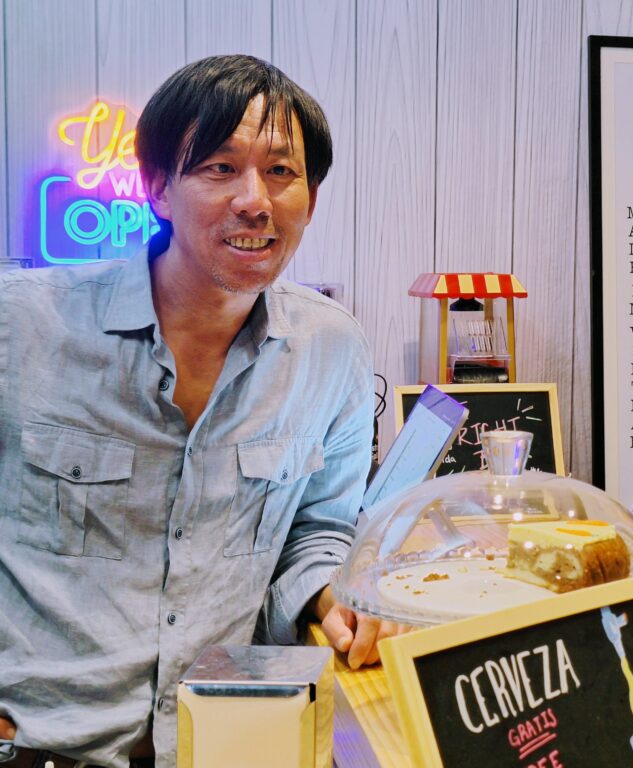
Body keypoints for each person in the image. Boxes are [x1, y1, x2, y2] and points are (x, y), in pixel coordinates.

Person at [0, 55, 397, 767]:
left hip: (230, 744)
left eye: (282, 172)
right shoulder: (22, 327)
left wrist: (329, 596)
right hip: (40, 745)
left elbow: (320, 525)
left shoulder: (332, 349)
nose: (256, 200)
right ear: (156, 188)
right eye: (218, 168)